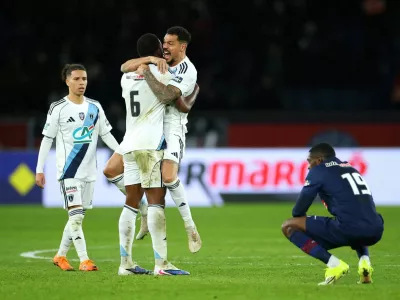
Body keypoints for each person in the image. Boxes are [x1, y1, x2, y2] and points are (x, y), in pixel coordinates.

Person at [120, 26, 202, 253]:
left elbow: (172, 99)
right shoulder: (157, 64)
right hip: (145, 128)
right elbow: (124, 66)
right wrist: (148, 61)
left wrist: (147, 71)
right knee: (110, 169)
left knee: (167, 177)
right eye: (164, 42)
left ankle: (190, 225)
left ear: (182, 47)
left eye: (170, 43)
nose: (165, 46)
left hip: (171, 128)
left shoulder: (187, 70)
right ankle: (144, 210)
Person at [35, 64, 119, 271]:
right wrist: (39, 169)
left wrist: (122, 152)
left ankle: (60, 256)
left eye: (84, 79)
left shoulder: (94, 107)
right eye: (77, 79)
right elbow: (47, 139)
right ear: (67, 81)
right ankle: (84, 260)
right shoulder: (58, 108)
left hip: (90, 171)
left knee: (78, 215)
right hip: (68, 169)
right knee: (77, 215)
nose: (82, 83)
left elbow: (105, 134)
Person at [281, 143, 384, 285]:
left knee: (288, 226)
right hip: (376, 228)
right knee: (355, 220)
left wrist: (302, 221)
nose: (309, 166)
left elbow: (300, 206)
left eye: (309, 161)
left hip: (349, 228)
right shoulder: (351, 168)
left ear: (319, 160)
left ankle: (334, 265)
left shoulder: (319, 170)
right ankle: (364, 263)